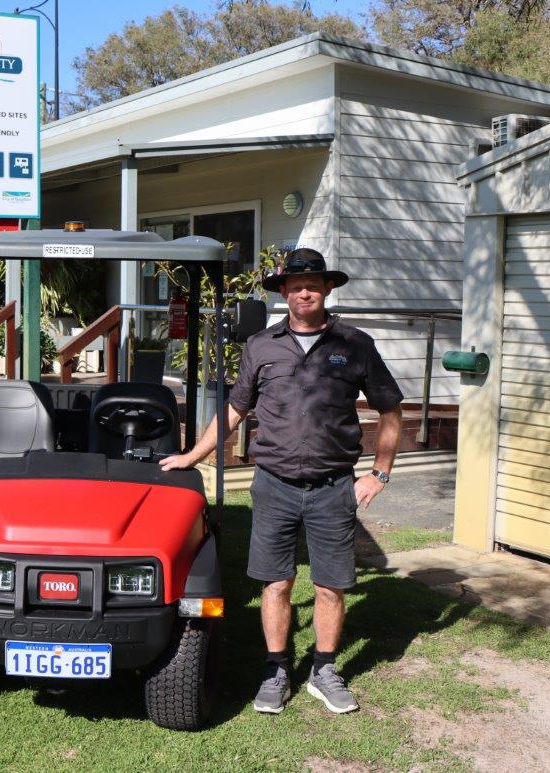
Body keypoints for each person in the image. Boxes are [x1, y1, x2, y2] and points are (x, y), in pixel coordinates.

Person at [161, 248, 403, 715]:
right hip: (273, 486)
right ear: (284, 293)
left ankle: (325, 669)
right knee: (276, 583)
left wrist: (379, 474)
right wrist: (193, 454)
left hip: (334, 487)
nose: (305, 291)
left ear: (327, 288)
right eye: (296, 285)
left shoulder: (355, 345)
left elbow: (390, 411)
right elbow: (235, 409)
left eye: (313, 283)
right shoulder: (261, 345)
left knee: (332, 585)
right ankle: (275, 670)